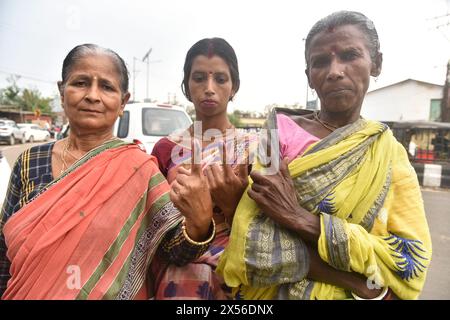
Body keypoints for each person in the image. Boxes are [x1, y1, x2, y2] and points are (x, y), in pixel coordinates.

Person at [217, 11, 432, 300]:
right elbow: (256, 244)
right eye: (320, 61)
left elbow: (410, 261)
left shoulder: (388, 153)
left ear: (376, 63)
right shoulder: (278, 131)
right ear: (309, 76)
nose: (334, 71)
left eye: (350, 55)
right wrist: (358, 282)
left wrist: (299, 218)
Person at [0, 44, 215, 299]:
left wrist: (199, 223)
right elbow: (4, 253)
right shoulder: (29, 161)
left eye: (106, 86)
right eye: (80, 83)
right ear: (62, 91)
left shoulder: (139, 169)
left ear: (123, 101)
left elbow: (171, 251)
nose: (92, 95)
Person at [150, 37, 257, 299]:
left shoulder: (256, 148)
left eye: (220, 79)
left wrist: (234, 205)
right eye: (199, 78)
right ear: (186, 86)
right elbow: (154, 226)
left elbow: (271, 227)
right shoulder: (165, 149)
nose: (209, 88)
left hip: (236, 278)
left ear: (234, 87)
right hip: (177, 275)